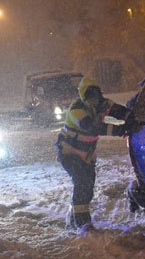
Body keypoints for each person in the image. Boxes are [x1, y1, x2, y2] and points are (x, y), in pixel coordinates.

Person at [56, 77, 133, 232]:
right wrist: (119, 130)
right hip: (68, 153)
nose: (94, 98)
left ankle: (74, 216)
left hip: (87, 155)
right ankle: (82, 223)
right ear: (83, 96)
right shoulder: (76, 109)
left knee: (88, 186)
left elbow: (119, 111)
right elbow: (91, 127)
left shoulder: (102, 103)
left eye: (95, 94)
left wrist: (132, 119)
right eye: (90, 95)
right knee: (82, 182)